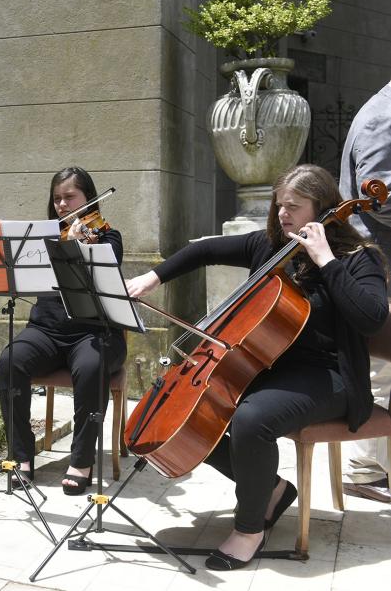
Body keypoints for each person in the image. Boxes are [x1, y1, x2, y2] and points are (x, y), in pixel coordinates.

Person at [126, 164, 388, 570]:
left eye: (294, 206)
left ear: (322, 208)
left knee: (251, 420)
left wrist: (326, 261)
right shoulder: (270, 246)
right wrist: (152, 278)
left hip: (332, 377)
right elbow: (203, 250)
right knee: (196, 413)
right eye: (279, 205)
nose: (283, 214)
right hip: (273, 369)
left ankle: (249, 529)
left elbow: (371, 318)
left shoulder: (357, 259)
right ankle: (273, 490)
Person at [0, 166, 127, 495]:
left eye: (70, 197)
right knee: (10, 361)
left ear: (89, 199)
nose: (62, 205)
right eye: (57, 199)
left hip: (95, 334)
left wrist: (85, 246)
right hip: (47, 332)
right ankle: (22, 456)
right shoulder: (42, 239)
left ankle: (81, 460)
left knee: (92, 367)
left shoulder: (107, 237)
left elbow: (110, 265)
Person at [338, 79, 391, 503]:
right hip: (379, 260)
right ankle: (366, 470)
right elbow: (377, 194)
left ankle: (370, 468)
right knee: (384, 369)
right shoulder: (382, 117)